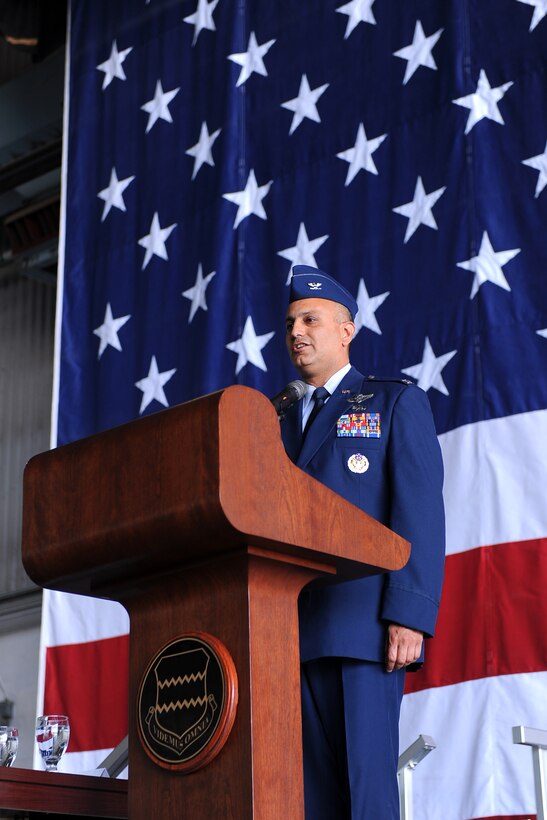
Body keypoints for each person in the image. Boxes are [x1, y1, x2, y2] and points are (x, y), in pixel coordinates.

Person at [279, 265, 445, 819]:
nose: (297, 332)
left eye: (311, 319)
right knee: (308, 800)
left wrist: (410, 615)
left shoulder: (391, 402)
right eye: (291, 323)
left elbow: (418, 512)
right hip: (286, 634)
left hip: (362, 629)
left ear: (347, 330)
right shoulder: (270, 421)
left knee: (366, 796)